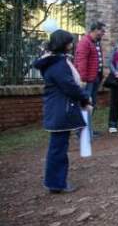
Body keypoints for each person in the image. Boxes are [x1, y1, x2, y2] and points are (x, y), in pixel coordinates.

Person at [33, 30, 93, 193]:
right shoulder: (58, 64)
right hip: (61, 110)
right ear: (64, 44)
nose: (71, 45)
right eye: (69, 42)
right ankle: (56, 183)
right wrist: (85, 98)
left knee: (58, 147)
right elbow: (70, 87)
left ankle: (55, 181)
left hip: (58, 109)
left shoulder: (55, 62)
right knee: (58, 149)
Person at [74, 21, 106, 132]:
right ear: (95, 30)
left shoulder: (95, 42)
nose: (103, 33)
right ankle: (82, 132)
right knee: (85, 105)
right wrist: (83, 79)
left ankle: (88, 130)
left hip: (94, 78)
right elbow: (81, 62)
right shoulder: (85, 42)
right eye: (102, 31)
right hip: (87, 80)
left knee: (91, 105)